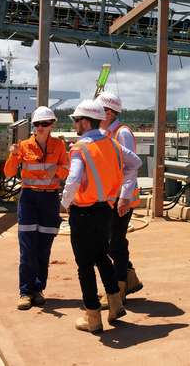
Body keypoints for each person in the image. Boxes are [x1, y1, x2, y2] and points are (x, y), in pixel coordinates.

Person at [61, 99, 142, 334]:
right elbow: (135, 163)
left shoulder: (80, 148)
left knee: (84, 265)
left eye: (76, 120)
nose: (75, 124)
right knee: (101, 256)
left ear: (85, 122)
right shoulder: (113, 144)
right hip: (105, 209)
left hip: (83, 210)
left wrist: (64, 202)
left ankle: (93, 317)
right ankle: (115, 304)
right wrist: (122, 192)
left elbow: (74, 179)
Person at [3, 106, 69, 310]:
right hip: (29, 200)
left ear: (52, 125)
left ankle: (38, 289)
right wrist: (14, 155)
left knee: (44, 247)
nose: (41, 127)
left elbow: (65, 171)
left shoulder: (59, 146)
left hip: (49, 200)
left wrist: (49, 171)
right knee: (27, 248)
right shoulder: (22, 146)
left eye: (45, 124)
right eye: (38, 124)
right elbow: (8, 173)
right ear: (33, 126)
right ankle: (24, 291)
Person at [96, 92, 143, 309]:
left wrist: (124, 198)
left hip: (121, 200)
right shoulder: (106, 132)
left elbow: (129, 168)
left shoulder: (121, 133)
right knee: (110, 242)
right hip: (110, 198)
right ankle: (129, 277)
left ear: (108, 112)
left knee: (115, 242)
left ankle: (120, 287)